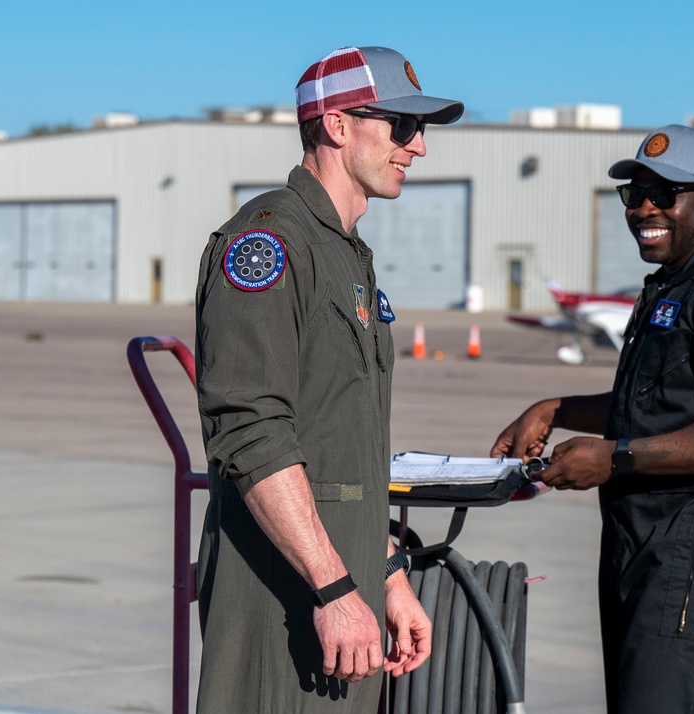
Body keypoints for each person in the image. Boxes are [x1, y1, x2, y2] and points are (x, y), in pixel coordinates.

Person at [491, 125, 694, 714]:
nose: (644, 209)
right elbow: (655, 404)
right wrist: (554, 410)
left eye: (665, 193)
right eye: (634, 194)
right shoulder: (675, 285)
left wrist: (614, 458)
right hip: (647, 540)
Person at [194, 46, 463, 712]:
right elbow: (252, 433)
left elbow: (341, 448)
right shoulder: (269, 243)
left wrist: (388, 574)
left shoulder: (343, 253)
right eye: (401, 126)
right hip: (285, 602)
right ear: (337, 126)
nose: (419, 147)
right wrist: (337, 591)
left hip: (341, 594)